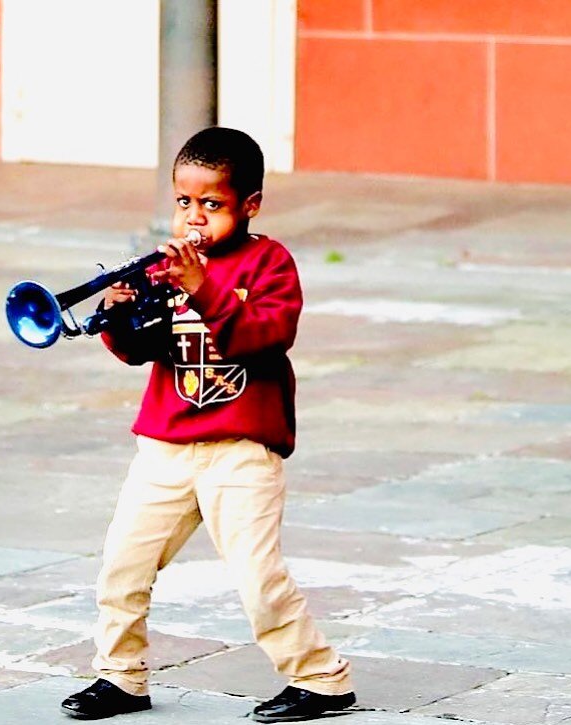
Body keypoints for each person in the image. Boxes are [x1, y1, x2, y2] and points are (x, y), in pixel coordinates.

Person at [61, 127, 356, 722]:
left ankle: (321, 679)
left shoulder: (268, 262)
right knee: (123, 563)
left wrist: (205, 288)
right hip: (165, 446)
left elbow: (267, 337)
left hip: (242, 449)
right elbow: (139, 353)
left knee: (257, 574)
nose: (195, 218)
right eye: (183, 202)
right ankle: (121, 676)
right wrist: (119, 318)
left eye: (212, 204)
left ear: (250, 204)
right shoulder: (161, 268)